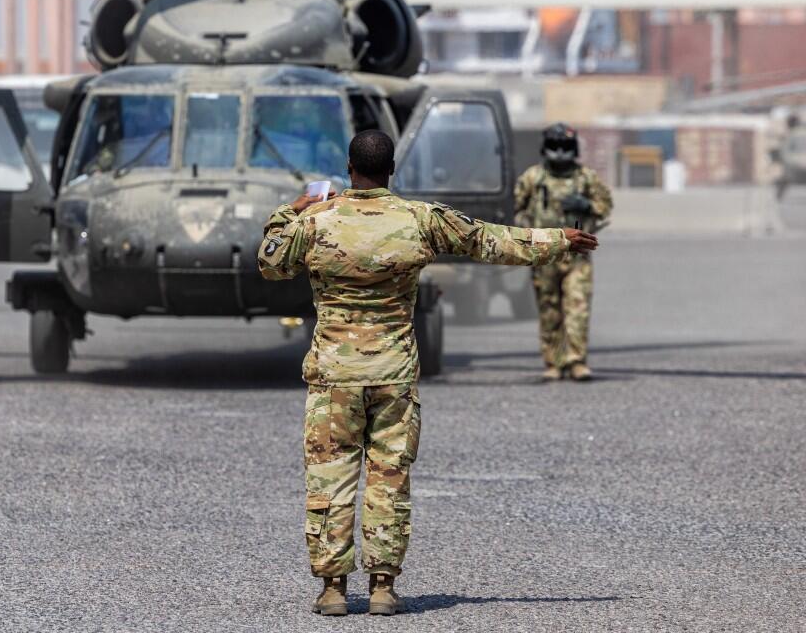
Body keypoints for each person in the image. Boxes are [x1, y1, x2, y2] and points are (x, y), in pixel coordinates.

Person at [258, 130, 598, 616]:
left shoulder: (317, 221)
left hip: (335, 375)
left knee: (330, 478)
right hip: (394, 374)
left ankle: (333, 588)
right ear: (392, 170)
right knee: (389, 477)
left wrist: (290, 209)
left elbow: (269, 262)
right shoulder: (420, 219)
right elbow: (489, 240)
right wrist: (558, 240)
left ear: (348, 170)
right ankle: (381, 587)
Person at [514, 123, 613, 381]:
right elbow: (516, 207)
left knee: (577, 309)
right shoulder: (533, 178)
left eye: (565, 147)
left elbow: (605, 206)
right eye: (554, 146)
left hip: (577, 256)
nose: (559, 152)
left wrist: (587, 205)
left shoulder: (585, 178)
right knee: (549, 310)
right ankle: (553, 362)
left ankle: (577, 360)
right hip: (545, 255)